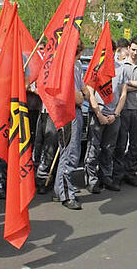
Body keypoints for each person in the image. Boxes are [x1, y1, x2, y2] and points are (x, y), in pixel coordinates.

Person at [84, 41, 128, 193]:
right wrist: (99, 114)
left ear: (115, 51)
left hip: (114, 115)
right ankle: (91, 179)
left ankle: (106, 176)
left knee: (109, 148)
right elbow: (89, 91)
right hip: (98, 114)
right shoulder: (95, 68)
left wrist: (115, 114)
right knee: (93, 148)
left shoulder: (121, 69)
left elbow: (123, 94)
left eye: (111, 50)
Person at [53, 41, 90, 210]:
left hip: (76, 111)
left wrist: (83, 93)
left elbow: (84, 89)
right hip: (68, 112)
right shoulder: (65, 67)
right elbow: (79, 96)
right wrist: (83, 94)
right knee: (70, 153)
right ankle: (66, 195)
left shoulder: (77, 64)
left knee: (68, 152)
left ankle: (59, 189)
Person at [112, 36, 137, 188]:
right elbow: (120, 88)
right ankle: (117, 174)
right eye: (133, 49)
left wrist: (127, 84)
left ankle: (131, 172)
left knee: (134, 144)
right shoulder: (120, 65)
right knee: (121, 144)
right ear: (128, 49)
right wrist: (135, 85)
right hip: (123, 108)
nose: (135, 53)